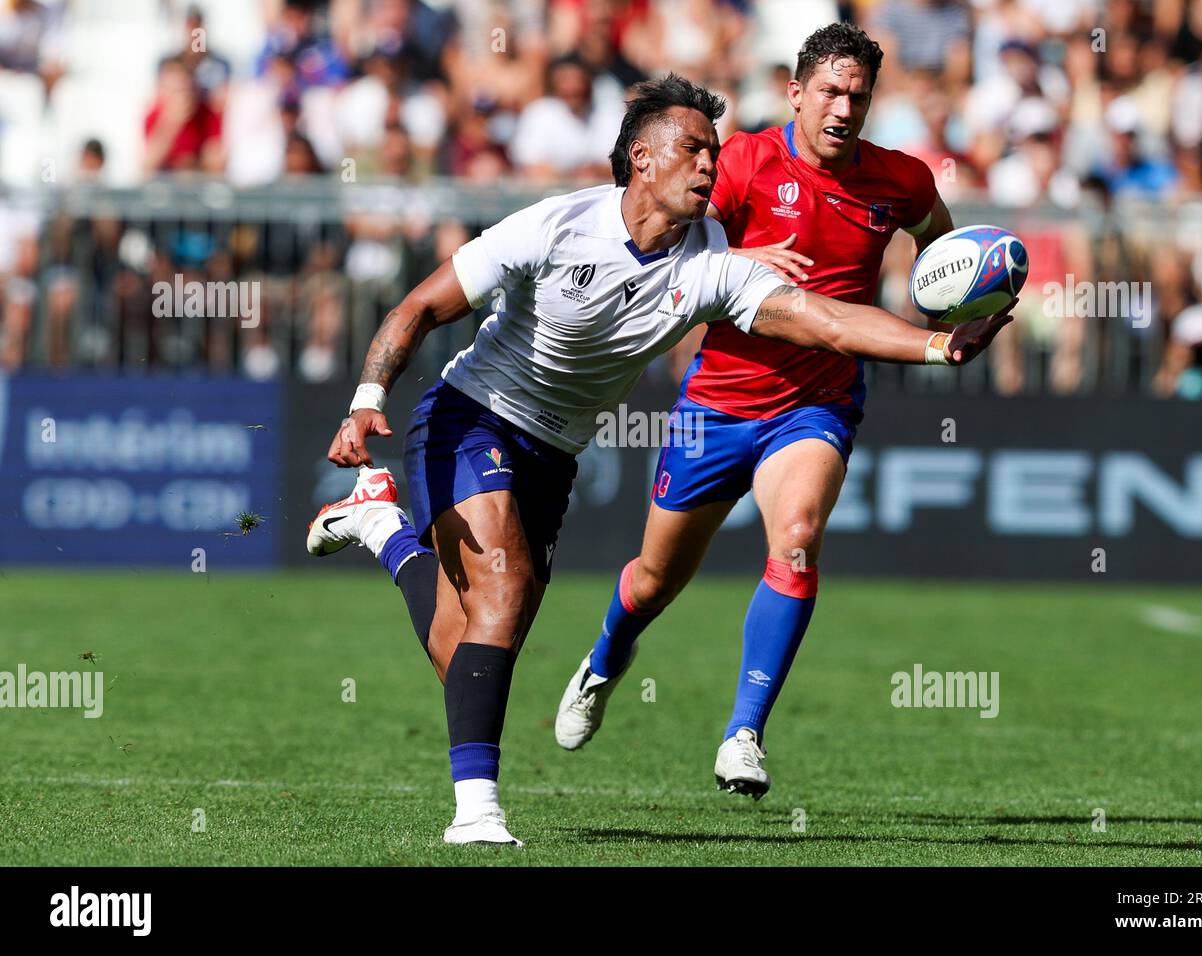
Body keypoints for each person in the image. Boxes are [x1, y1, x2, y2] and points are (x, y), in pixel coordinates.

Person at [305, 73, 1012, 846]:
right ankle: (477, 814)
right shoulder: (556, 224)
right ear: (641, 159)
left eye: (714, 150)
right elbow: (418, 307)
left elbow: (828, 322)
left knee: (466, 642)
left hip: (555, 451)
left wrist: (938, 345)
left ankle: (381, 526)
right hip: (469, 416)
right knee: (500, 610)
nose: (712, 165)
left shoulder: (714, 262)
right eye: (694, 150)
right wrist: (367, 396)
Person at [552, 22, 967, 800]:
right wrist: (737, 261)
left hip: (817, 403)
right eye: (831, 92)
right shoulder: (740, 160)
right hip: (719, 402)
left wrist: (962, 306)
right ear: (797, 92)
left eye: (859, 96)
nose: (844, 109)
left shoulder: (902, 180)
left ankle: (744, 733)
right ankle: (607, 656)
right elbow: (658, 239)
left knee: (799, 540)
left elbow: (941, 249)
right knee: (652, 582)